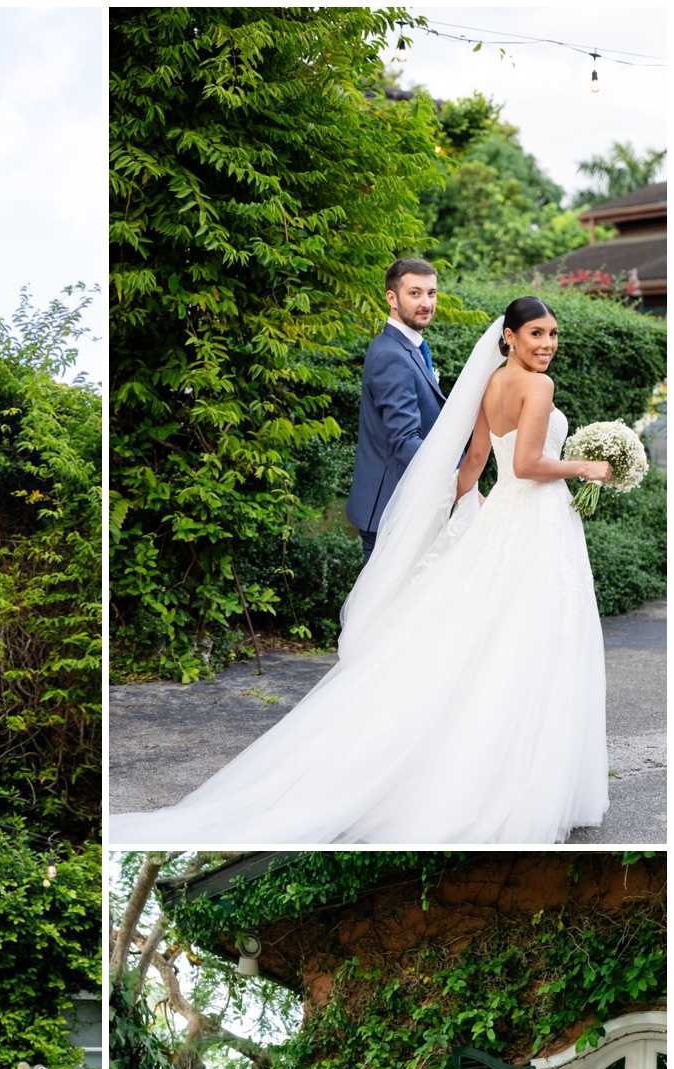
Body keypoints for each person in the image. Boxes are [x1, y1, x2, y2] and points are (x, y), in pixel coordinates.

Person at [110, 297, 615, 845]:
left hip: (504, 524)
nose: (547, 344)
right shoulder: (539, 387)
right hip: (535, 524)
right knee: (534, 639)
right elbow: (526, 465)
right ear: (510, 336)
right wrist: (587, 466)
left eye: (554, 335)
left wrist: (448, 518)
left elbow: (474, 464)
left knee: (484, 636)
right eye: (536, 333)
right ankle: (518, 779)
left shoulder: (491, 383)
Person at [346, 258, 446, 566]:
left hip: (406, 504)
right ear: (392, 298)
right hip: (392, 509)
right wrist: (458, 482)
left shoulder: (409, 349)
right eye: (415, 293)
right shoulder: (391, 355)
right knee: (380, 613)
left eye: (431, 293)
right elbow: (406, 441)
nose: (426, 302)